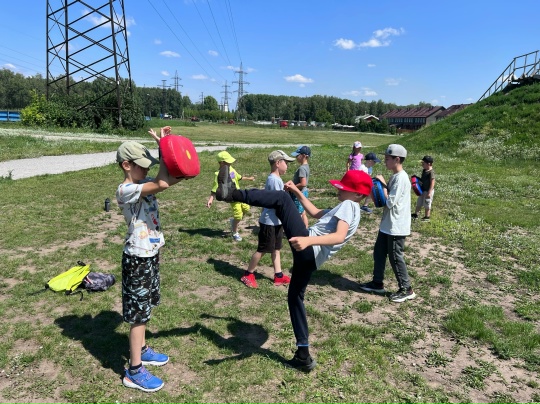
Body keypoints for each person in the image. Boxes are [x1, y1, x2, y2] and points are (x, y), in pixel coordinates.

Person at [215, 164, 372, 372]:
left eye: (343, 188)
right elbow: (315, 212)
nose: (338, 190)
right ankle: (303, 355)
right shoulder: (349, 208)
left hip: (309, 247)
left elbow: (339, 236)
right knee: (295, 298)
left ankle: (232, 194)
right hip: (311, 260)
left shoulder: (349, 205)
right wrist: (297, 192)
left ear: (358, 195)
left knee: (281, 199)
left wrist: (308, 241)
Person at [116, 126, 185, 392]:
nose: (147, 169)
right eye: (142, 165)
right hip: (137, 258)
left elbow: (171, 177)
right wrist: (164, 149)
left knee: (146, 307)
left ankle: (142, 350)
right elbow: (163, 182)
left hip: (150, 253)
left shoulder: (143, 185)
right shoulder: (126, 189)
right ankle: (134, 371)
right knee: (138, 315)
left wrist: (165, 146)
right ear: (126, 165)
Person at [358, 144, 416, 303]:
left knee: (395, 257)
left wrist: (383, 184)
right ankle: (377, 283)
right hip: (387, 225)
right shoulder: (395, 176)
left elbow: (389, 202)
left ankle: (406, 289)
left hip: (396, 226)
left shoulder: (401, 178)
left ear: (397, 159)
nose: (385, 161)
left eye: (387, 159)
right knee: (379, 252)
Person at [241, 150, 295, 288]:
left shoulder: (276, 179)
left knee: (276, 248)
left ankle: (278, 275)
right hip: (269, 221)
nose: (287, 166)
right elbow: (278, 202)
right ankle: (248, 274)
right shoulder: (274, 180)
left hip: (276, 221)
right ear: (278, 163)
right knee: (263, 249)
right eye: (286, 162)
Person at [207, 151, 254, 241]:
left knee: (246, 208)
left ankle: (234, 221)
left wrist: (249, 178)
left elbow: (238, 177)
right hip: (232, 197)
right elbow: (215, 187)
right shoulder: (218, 174)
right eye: (228, 162)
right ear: (221, 162)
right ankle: (235, 232)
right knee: (238, 215)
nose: (230, 163)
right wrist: (211, 199)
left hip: (240, 194)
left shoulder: (231, 169)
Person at [290, 145, 311, 228]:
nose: (296, 157)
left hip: (299, 193)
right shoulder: (306, 166)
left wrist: (292, 187)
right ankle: (305, 229)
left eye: (297, 155)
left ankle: (297, 230)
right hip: (304, 192)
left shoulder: (302, 168)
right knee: (303, 213)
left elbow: (303, 183)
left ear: (304, 156)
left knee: (297, 213)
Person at [411, 155, 436, 222]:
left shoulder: (431, 172)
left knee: (427, 203)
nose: (422, 164)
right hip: (422, 190)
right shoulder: (424, 170)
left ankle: (427, 216)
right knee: (419, 202)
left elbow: (432, 183)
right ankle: (416, 214)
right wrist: (416, 178)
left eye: (423, 163)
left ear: (429, 164)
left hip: (428, 191)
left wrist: (429, 192)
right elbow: (422, 180)